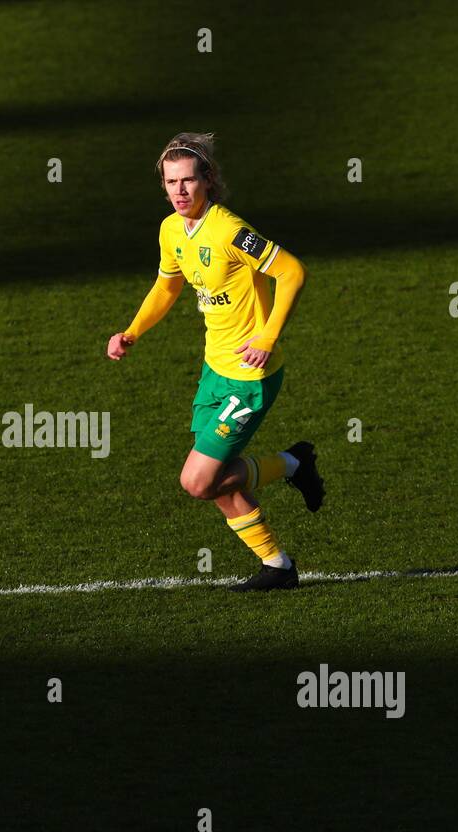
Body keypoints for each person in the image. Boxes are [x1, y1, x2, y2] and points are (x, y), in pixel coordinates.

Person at [105, 132, 324, 591]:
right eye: (170, 182)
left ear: (208, 180)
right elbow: (168, 286)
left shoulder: (228, 230)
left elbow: (291, 270)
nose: (179, 191)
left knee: (199, 480)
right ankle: (278, 566)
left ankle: (291, 465)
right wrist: (132, 331)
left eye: (188, 180)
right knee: (218, 479)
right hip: (214, 370)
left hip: (250, 375)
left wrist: (268, 336)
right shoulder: (171, 229)